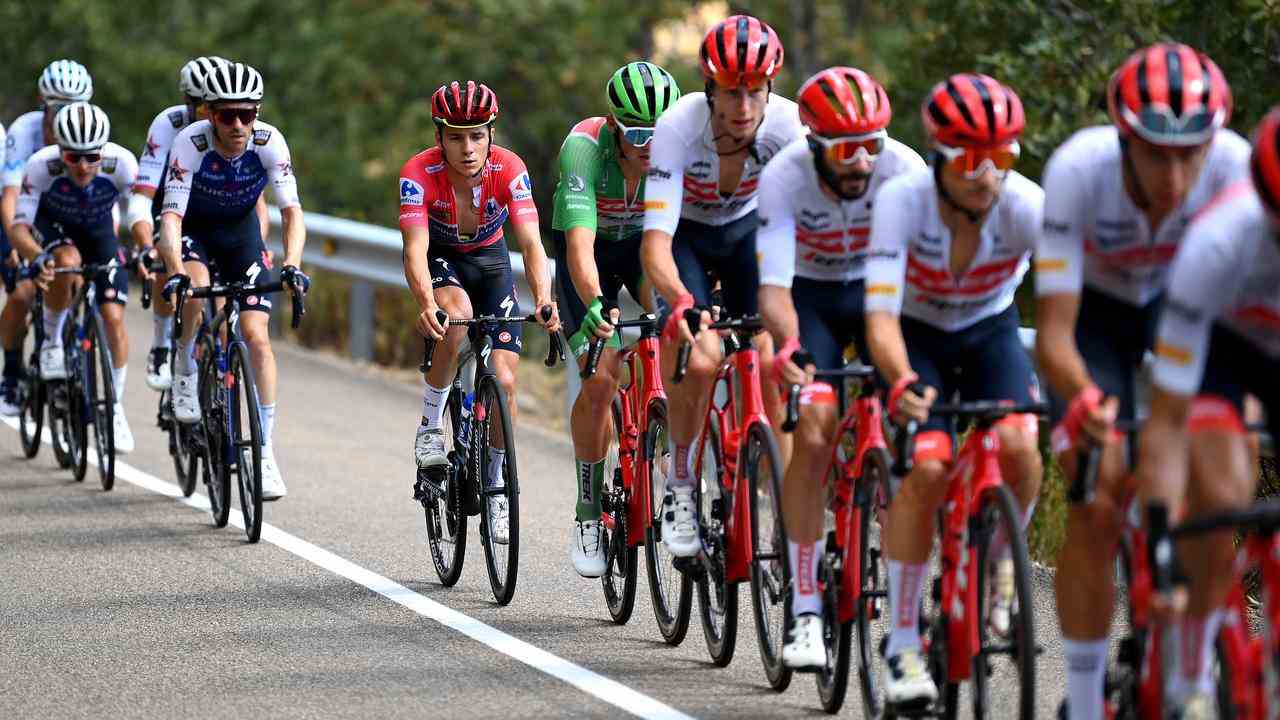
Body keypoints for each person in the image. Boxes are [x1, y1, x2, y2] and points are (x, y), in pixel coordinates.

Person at [1034, 43, 1248, 720]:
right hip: (1094, 320)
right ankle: (1090, 696)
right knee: (1097, 497)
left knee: (1216, 494)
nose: (1177, 175)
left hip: (1184, 313)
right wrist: (1090, 403)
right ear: (1124, 139)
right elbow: (1056, 335)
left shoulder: (1237, 169)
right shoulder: (1078, 170)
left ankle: (1188, 672)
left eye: (1193, 153)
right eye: (1158, 153)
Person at [864, 73, 1043, 708]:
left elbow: (1075, 303)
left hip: (989, 330)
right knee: (930, 467)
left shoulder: (1027, 206)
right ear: (941, 153)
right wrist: (903, 379)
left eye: (1002, 156)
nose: (987, 173)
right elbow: (880, 315)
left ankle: (999, 566)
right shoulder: (903, 201)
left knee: (1022, 445)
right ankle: (905, 640)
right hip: (919, 336)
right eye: (971, 158)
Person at [755, 66, 925, 669]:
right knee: (818, 429)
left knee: (913, 425)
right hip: (813, 298)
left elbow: (927, 280)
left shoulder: (907, 172)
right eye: (846, 149)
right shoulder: (783, 177)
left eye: (872, 145)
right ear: (814, 142)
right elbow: (772, 288)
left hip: (884, 296)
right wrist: (792, 346)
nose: (861, 162)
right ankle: (804, 605)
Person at [640, 13, 804, 558]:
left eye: (755, 92)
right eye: (731, 94)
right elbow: (656, 244)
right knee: (703, 355)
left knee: (771, 349)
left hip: (747, 235)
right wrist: (684, 302)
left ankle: (786, 505)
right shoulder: (678, 129)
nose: (744, 108)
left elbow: (800, 225)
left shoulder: (789, 127)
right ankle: (682, 481)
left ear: (769, 89)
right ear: (710, 90)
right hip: (686, 235)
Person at [1135, 108, 1280, 719]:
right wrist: (1164, 533)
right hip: (1222, 347)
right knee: (1222, 497)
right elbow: (1167, 420)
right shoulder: (1217, 240)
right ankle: (1191, 670)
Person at [401, 80, 560, 545]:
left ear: (491, 133)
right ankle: (431, 427)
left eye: (477, 135)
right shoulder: (418, 173)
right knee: (457, 318)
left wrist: (544, 299)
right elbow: (414, 250)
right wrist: (426, 304)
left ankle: (495, 486)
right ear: (439, 137)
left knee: (506, 381)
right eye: (455, 136)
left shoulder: (509, 169)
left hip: (491, 261)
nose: (467, 147)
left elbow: (530, 243)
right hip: (441, 259)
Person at [158, 61, 310, 501]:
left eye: (248, 113)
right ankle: (185, 367)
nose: (239, 124)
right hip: (196, 234)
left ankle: (262, 450)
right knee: (193, 292)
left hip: (242, 236)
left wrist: (293, 262)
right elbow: (171, 217)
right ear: (209, 113)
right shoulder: (191, 142)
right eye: (228, 115)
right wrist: (175, 269)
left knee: (255, 336)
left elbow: (291, 212)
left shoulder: (268, 141)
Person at [554, 61, 681, 577]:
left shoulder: (678, 152)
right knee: (602, 379)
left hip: (644, 250)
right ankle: (588, 509)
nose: (650, 143)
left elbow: (680, 242)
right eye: (637, 133)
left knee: (677, 333)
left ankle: (679, 481)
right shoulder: (584, 149)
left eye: (661, 131)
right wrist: (593, 307)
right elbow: (580, 249)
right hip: (592, 256)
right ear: (614, 127)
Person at [8, 103, 151, 452]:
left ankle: (114, 408)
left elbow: (138, 212)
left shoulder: (122, 164)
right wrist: (37, 257)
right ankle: (53, 343)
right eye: (73, 157)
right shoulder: (41, 166)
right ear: (60, 151)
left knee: (114, 317)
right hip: (54, 228)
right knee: (66, 261)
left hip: (100, 232)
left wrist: (144, 248)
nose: (84, 166)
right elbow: (19, 227)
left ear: (103, 150)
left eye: (91, 157)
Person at [131, 56, 270, 392]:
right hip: (173, 204)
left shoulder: (236, 128)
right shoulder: (169, 126)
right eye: (205, 107)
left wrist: (259, 247)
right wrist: (146, 243)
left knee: (226, 311)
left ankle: (223, 401)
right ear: (192, 102)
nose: (217, 117)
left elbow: (255, 201)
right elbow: (144, 193)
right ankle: (164, 344)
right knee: (173, 265)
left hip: (224, 212)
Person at [0, 59, 93, 416]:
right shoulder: (25, 132)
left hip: (69, 212)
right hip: (26, 212)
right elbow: (10, 198)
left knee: (85, 279)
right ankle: (10, 372)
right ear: (43, 103)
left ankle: (75, 354)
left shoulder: (89, 128)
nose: (65, 117)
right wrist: (16, 245)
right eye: (57, 109)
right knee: (23, 292)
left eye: (75, 108)